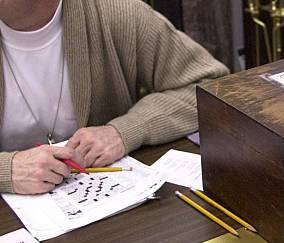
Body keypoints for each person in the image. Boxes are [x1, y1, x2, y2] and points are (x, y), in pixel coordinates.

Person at [0, 0, 228, 195]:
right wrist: (7, 170)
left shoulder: (118, 13)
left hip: (107, 204)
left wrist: (125, 130)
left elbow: (213, 86)